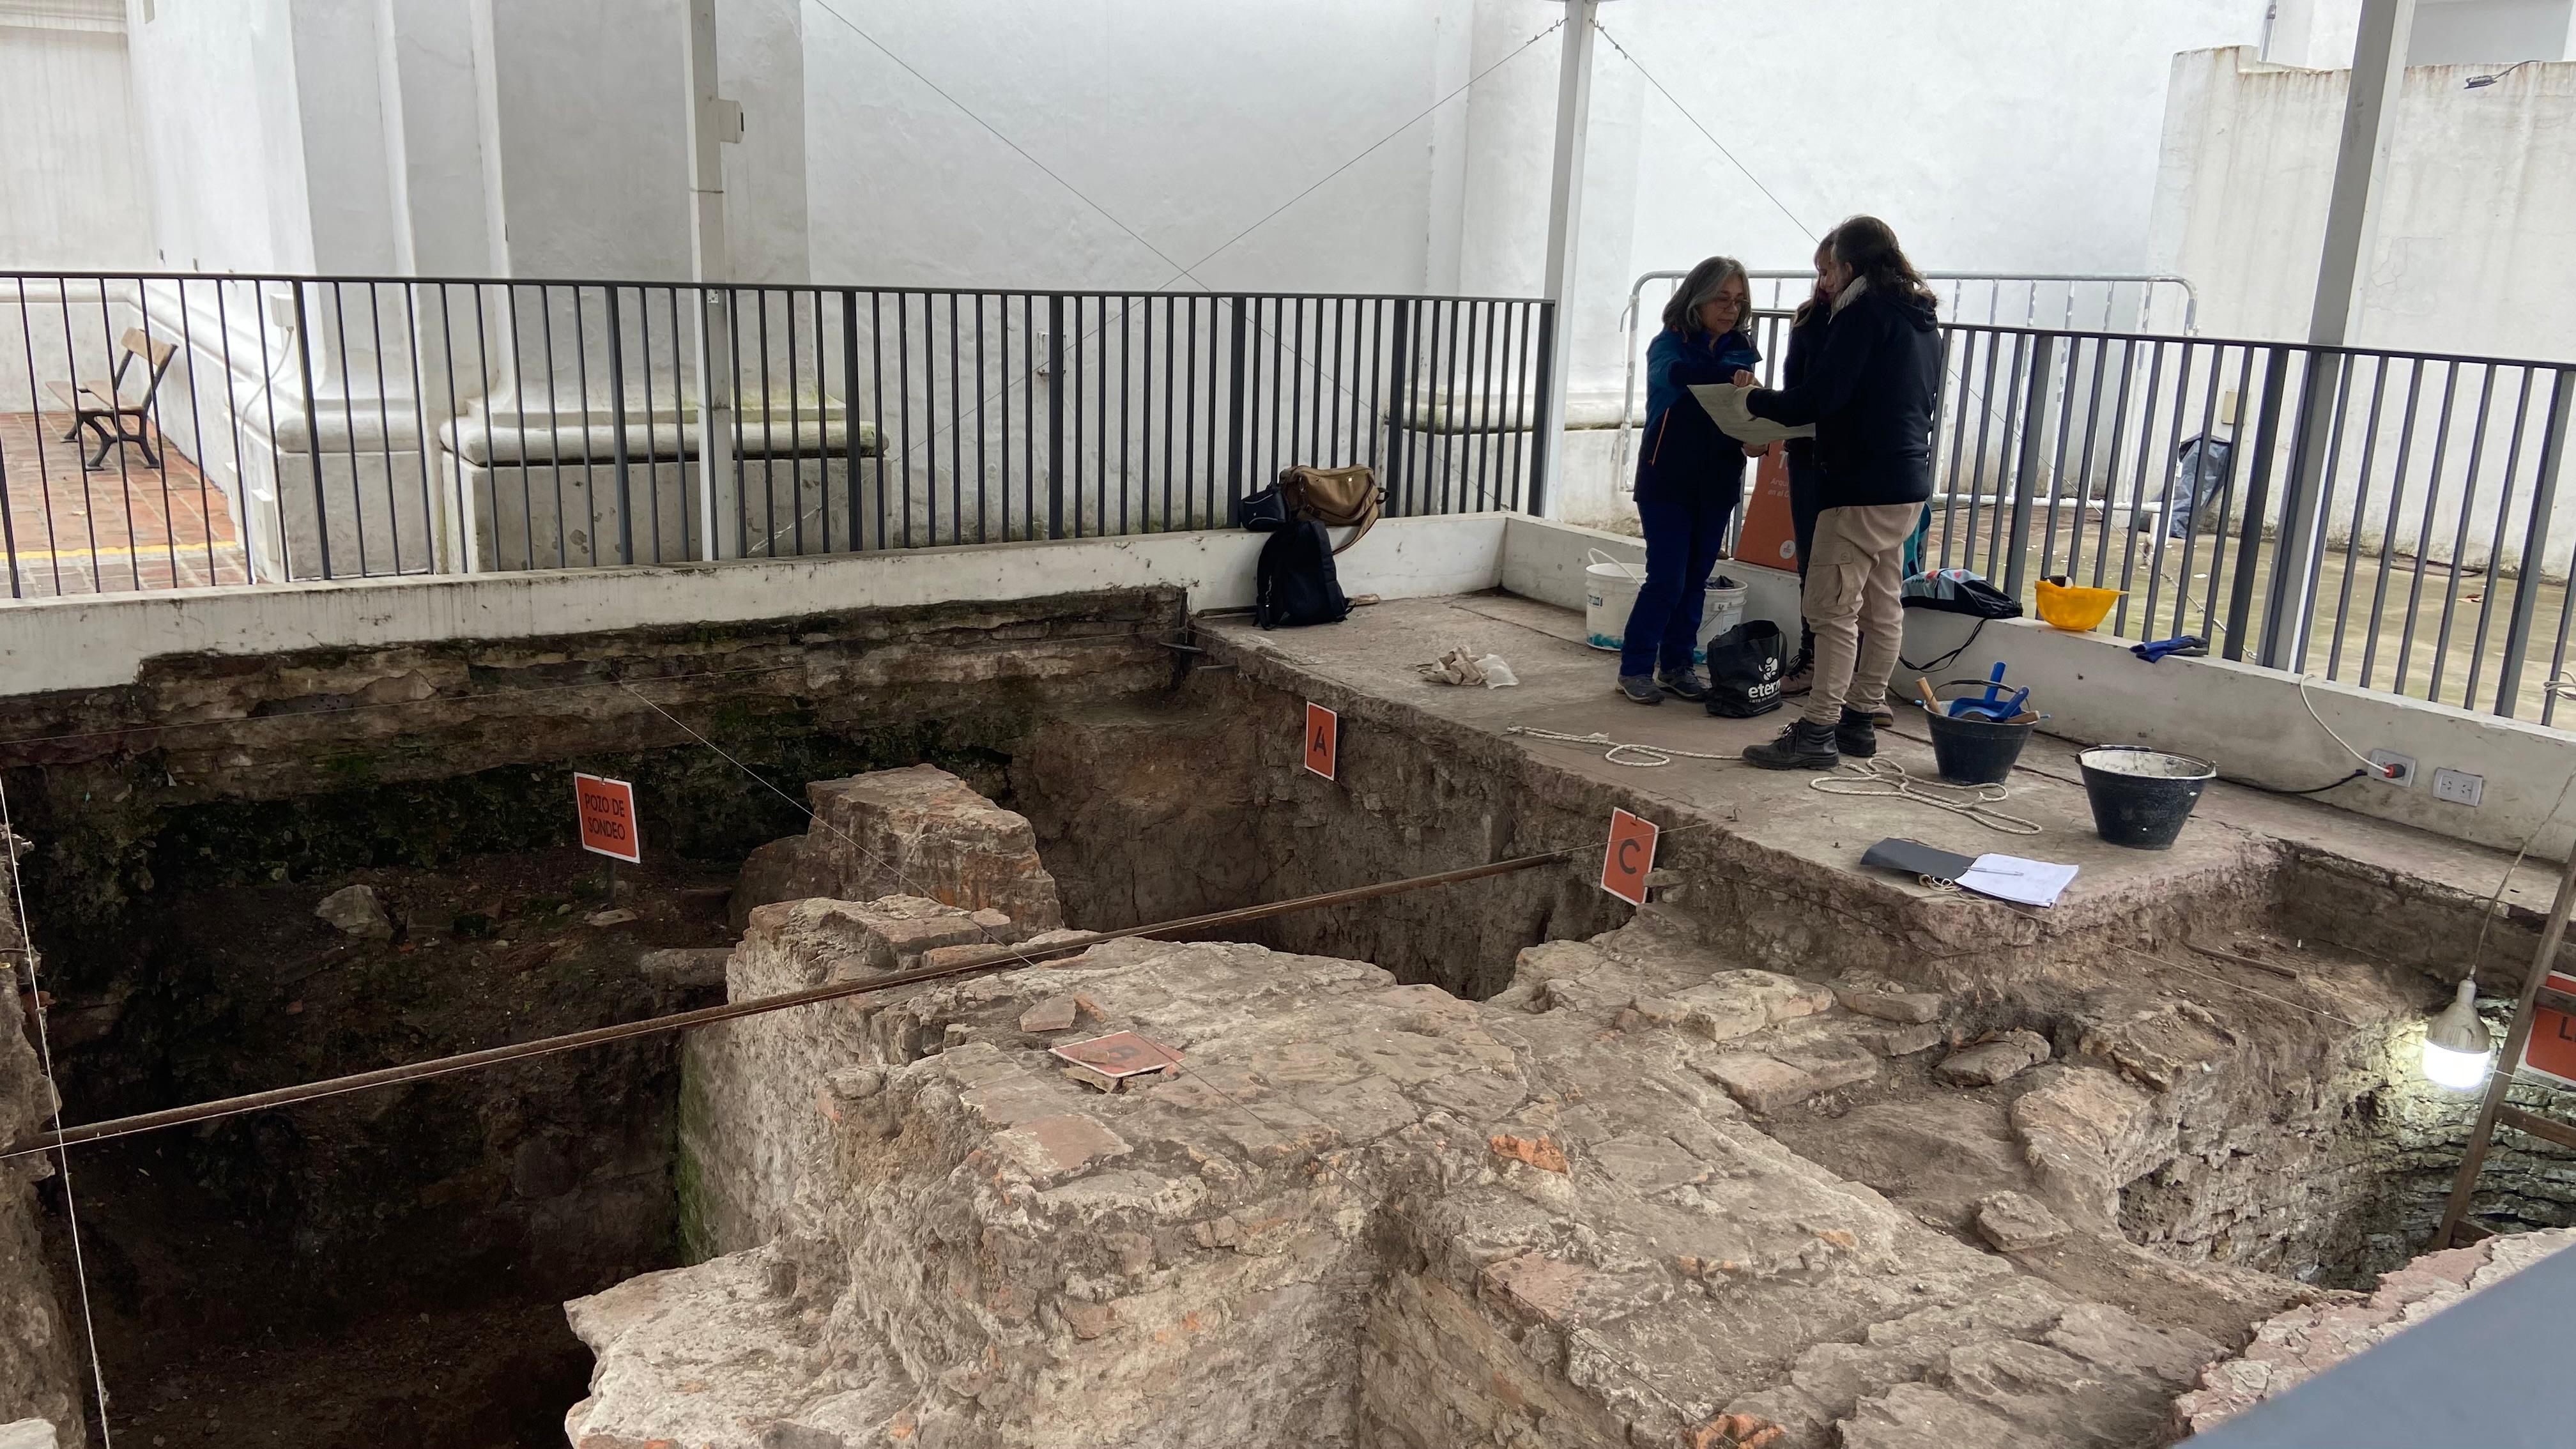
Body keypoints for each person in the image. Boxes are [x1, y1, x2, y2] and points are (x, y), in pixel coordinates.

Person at [1731, 216, 1942, 769]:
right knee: (1881, 604)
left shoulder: (1862, 314)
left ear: (1849, 267)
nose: (1824, 282)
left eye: (1828, 270)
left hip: (1856, 484)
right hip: (1905, 484)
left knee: (1830, 610)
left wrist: (1756, 404)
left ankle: (1819, 729)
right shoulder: (1920, 318)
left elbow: (1821, 398)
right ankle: (1860, 720)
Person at [1618, 256, 1763, 705]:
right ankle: (1635, 667)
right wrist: (1731, 378)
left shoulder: (1741, 349)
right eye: (1721, 298)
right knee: (1666, 579)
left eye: (1738, 301)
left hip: (1718, 479)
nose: (1730, 309)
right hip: (1667, 478)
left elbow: (1745, 414)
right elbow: (1675, 376)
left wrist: (1757, 434)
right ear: (1696, 299)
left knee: (1697, 576)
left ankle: (1678, 665)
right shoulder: (1670, 344)